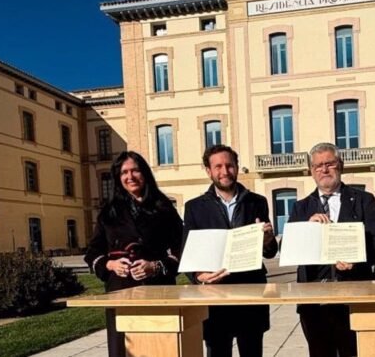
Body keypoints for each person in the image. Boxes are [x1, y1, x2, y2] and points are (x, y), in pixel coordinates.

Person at [287, 142, 375, 357]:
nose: (324, 169)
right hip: (313, 300)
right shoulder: (300, 207)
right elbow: (288, 248)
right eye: (318, 165)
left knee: (354, 352)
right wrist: (307, 228)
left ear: (340, 165)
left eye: (329, 163)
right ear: (312, 171)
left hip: (353, 295)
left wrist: (357, 258)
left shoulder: (363, 200)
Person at [84, 151, 183, 357]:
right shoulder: (109, 212)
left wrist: (155, 266)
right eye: (124, 172)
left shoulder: (164, 208)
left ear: (144, 173)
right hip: (120, 291)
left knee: (158, 349)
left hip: (158, 290)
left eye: (135, 170)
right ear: (119, 178)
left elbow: (181, 248)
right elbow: (93, 252)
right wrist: (111, 265)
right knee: (122, 350)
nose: (130, 177)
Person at [182, 145, 278, 357]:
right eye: (218, 166)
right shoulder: (194, 207)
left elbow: (270, 252)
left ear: (236, 167)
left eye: (229, 165)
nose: (224, 171)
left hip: (250, 292)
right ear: (208, 170)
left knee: (252, 352)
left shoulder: (257, 202)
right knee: (217, 352)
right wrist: (198, 276)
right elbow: (187, 252)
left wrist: (269, 240)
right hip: (214, 296)